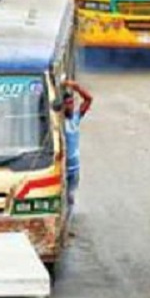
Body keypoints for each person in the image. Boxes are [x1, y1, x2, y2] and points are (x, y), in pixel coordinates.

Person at [61, 80, 92, 212]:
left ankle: (70, 217)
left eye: (72, 102)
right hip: (62, 167)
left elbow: (88, 99)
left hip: (74, 167)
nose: (71, 106)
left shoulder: (75, 118)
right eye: (67, 104)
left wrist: (77, 87)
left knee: (71, 196)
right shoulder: (58, 122)